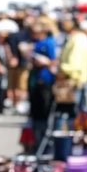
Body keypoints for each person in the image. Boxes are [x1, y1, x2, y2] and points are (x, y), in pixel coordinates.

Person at [28, 18, 57, 147]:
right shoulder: (36, 43)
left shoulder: (49, 43)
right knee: (36, 111)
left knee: (44, 110)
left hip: (45, 79)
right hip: (36, 79)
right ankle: (36, 138)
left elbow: (53, 61)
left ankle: (43, 140)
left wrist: (44, 62)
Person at [58, 17, 87, 113]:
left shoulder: (77, 39)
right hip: (77, 78)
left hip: (74, 80)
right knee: (78, 112)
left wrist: (62, 69)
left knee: (71, 113)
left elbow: (74, 63)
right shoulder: (79, 38)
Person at [6, 15, 31, 114]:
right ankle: (17, 104)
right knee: (20, 86)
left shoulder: (12, 35)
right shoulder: (26, 34)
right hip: (22, 63)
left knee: (14, 85)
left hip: (15, 63)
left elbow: (7, 48)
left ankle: (15, 104)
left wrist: (11, 57)